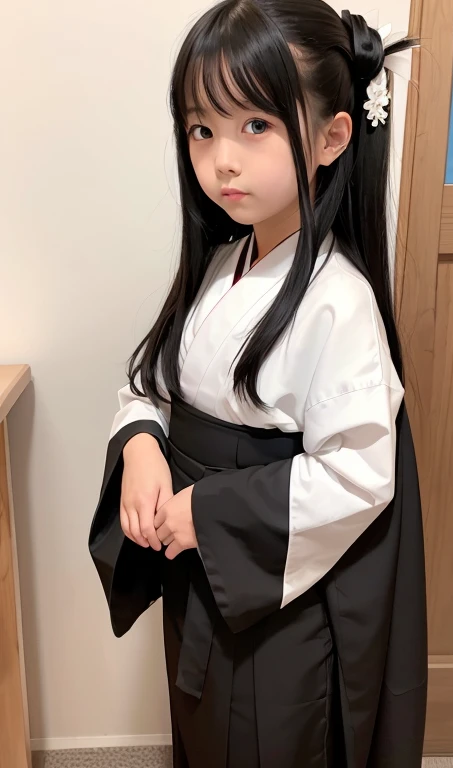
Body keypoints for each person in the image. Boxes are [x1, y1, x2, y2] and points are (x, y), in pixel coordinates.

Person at [89, 2, 428, 766]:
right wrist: (142, 443)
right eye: (202, 129)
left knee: (269, 740)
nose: (222, 161)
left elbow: (359, 475)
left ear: (333, 137)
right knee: (205, 731)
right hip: (204, 564)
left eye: (255, 126)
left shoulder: (339, 301)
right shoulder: (220, 264)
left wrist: (208, 511)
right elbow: (153, 378)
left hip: (275, 594)